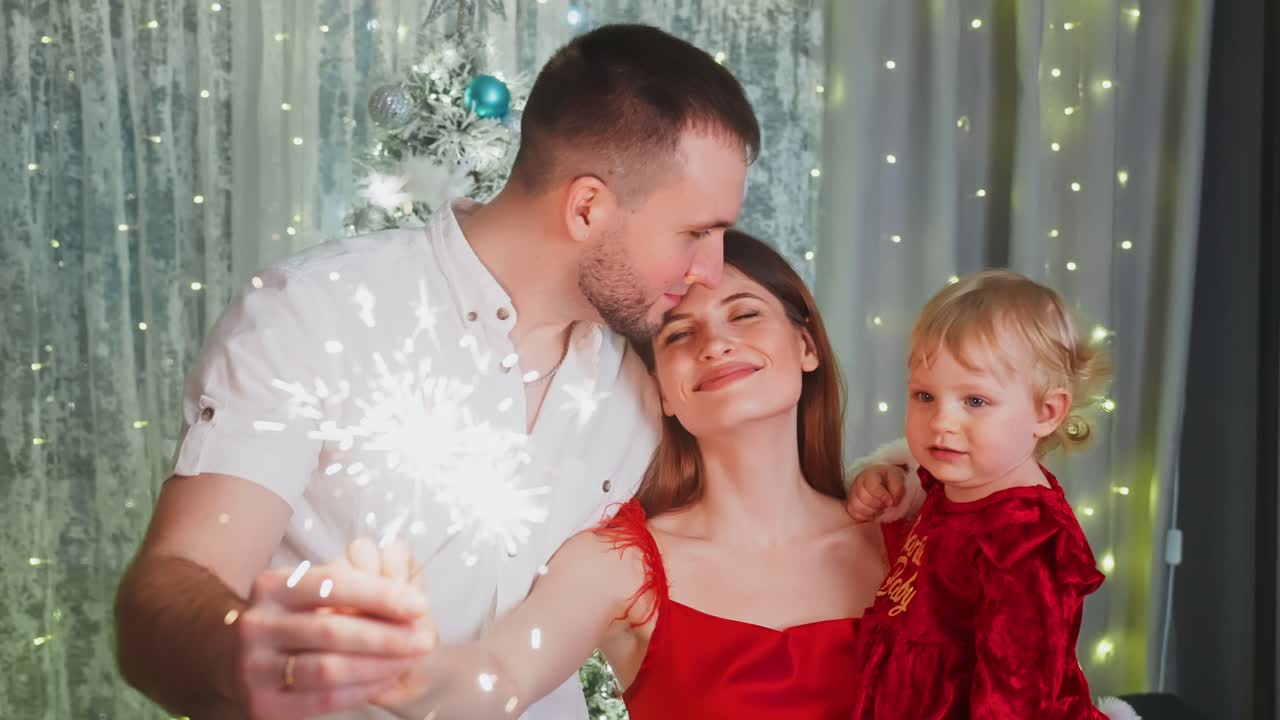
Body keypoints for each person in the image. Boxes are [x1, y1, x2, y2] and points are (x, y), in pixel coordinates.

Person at [113, 24, 891, 720]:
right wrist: (238, 651)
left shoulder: (645, 383)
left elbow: (758, 506)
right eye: (696, 232)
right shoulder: (318, 315)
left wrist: (898, 477)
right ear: (587, 208)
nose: (709, 270)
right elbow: (167, 590)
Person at [350, 229, 892, 720]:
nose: (715, 344)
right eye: (680, 334)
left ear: (806, 346)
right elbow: (503, 672)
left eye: (745, 313)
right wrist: (400, 667)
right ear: (661, 391)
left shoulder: (907, 541)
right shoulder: (619, 565)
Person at [847, 270, 1139, 719]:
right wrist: (888, 480)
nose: (941, 421)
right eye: (924, 395)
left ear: (1046, 412)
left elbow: (1019, 695)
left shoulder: (1026, 540)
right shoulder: (957, 481)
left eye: (975, 401)